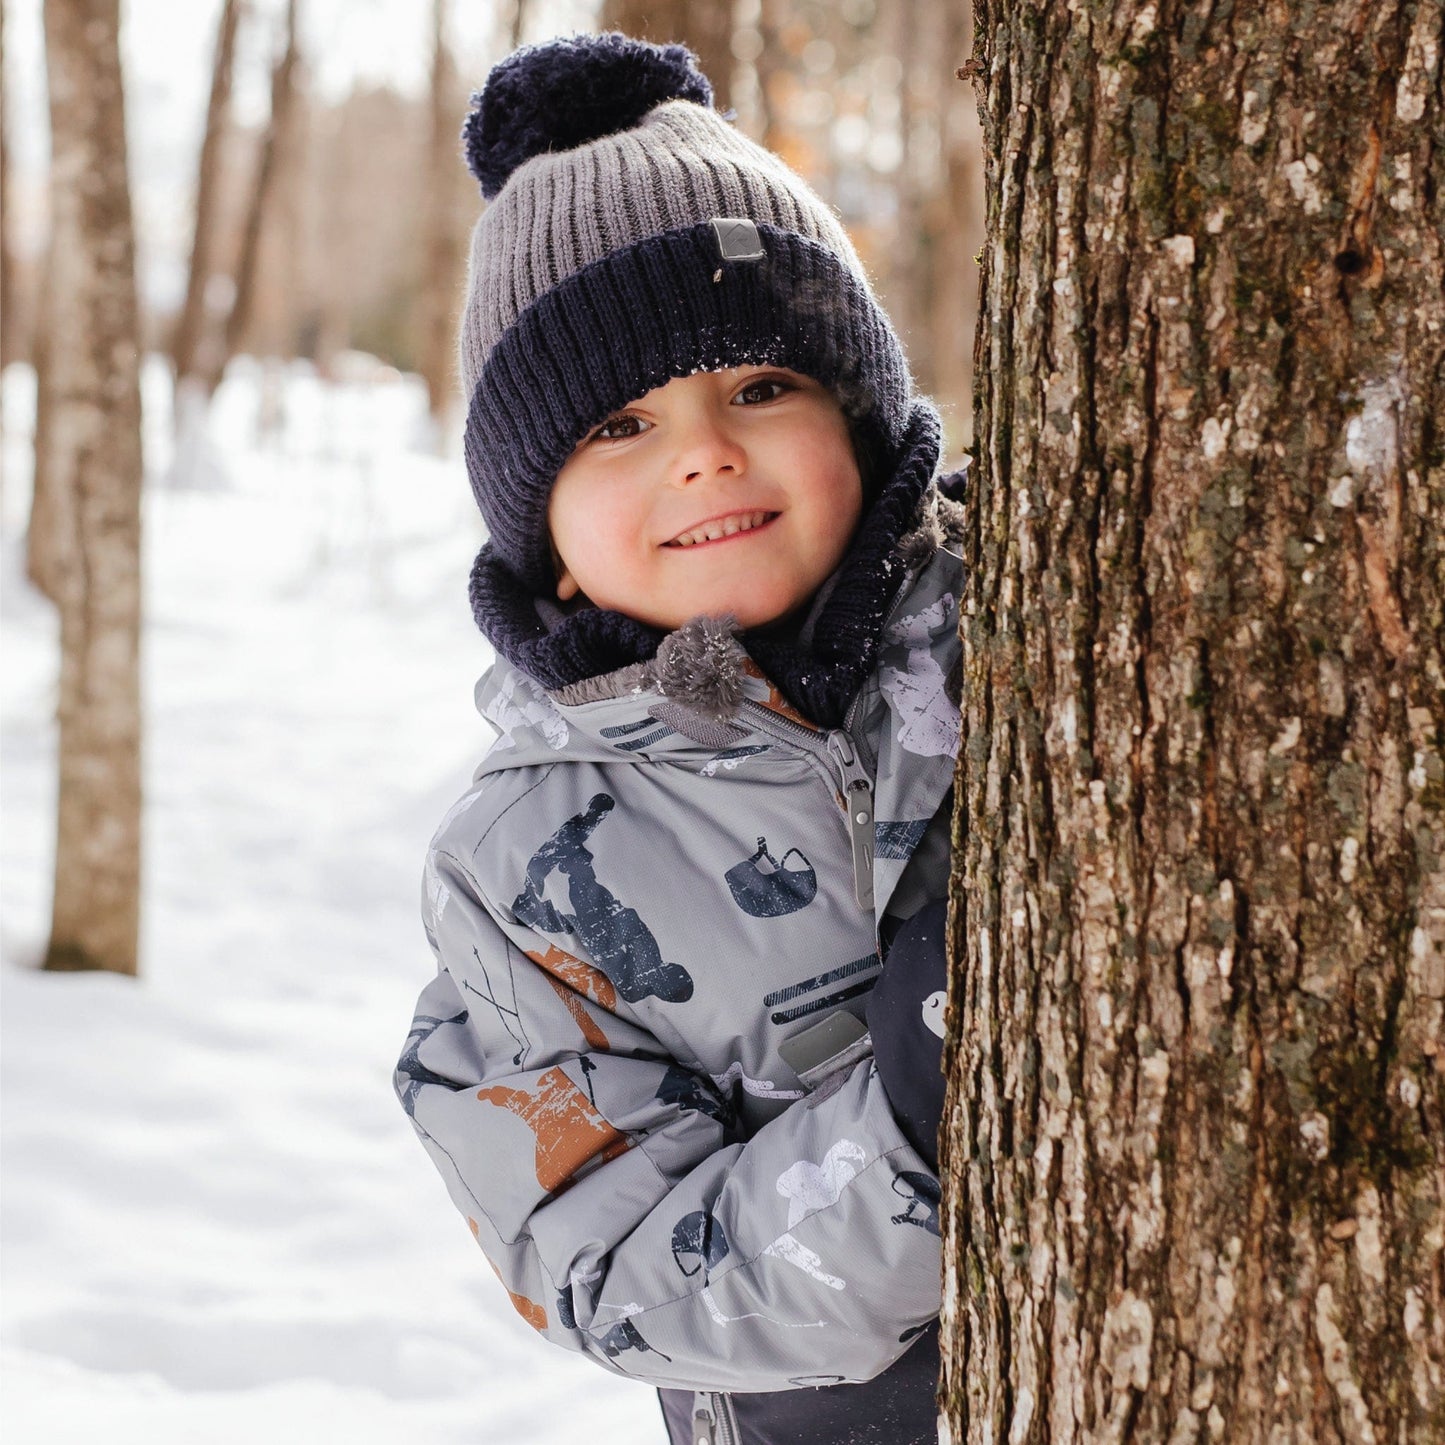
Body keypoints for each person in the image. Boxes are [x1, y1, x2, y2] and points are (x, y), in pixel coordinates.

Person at [395, 31, 963, 1445]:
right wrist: (910, 1128)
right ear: (551, 548)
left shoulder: (1028, 622)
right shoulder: (520, 875)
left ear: (861, 413)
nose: (705, 449)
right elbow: (614, 1266)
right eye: (622, 422)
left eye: (761, 386)